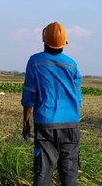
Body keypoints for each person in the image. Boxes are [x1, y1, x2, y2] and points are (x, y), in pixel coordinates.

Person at [21, 22, 82, 186]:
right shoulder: (72, 64)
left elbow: (29, 96)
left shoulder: (35, 61)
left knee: (42, 174)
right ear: (64, 43)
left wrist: (26, 123)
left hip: (46, 124)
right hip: (71, 125)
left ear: (44, 40)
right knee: (69, 176)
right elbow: (77, 97)